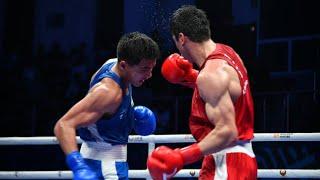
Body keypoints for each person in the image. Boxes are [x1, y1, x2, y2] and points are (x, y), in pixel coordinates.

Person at [147, 5, 257, 179]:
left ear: (182, 38)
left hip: (226, 163)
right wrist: (190, 76)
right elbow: (227, 90)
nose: (178, 50)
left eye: (176, 42)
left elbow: (227, 131)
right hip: (238, 160)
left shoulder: (210, 75)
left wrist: (181, 156)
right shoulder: (228, 54)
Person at [54, 32, 160, 180]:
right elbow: (63, 125)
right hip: (106, 167)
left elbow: (101, 115)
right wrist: (78, 166)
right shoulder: (108, 93)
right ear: (123, 65)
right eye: (144, 69)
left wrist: (128, 116)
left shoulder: (113, 64)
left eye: (151, 68)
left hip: (104, 160)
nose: (149, 75)